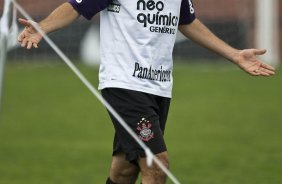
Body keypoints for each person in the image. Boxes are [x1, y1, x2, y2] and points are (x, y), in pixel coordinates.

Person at [18, 0, 276, 183]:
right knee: (157, 164)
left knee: (124, 170)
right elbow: (76, 6)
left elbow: (187, 21)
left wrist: (234, 55)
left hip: (159, 87)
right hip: (124, 84)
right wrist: (42, 27)